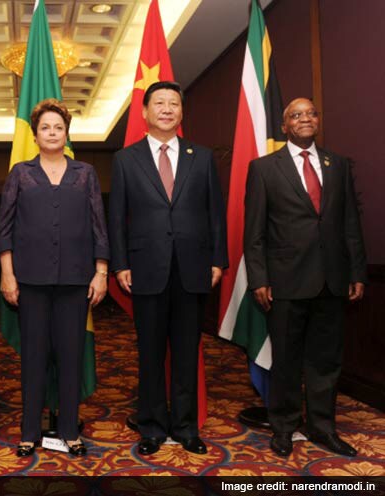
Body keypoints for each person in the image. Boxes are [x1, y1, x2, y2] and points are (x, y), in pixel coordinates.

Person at [108, 81, 227, 456]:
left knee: (187, 352)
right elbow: (116, 218)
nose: (166, 108)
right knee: (150, 353)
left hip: (193, 268)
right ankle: (153, 427)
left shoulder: (202, 157)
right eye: (158, 103)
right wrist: (121, 263)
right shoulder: (126, 159)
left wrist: (217, 259)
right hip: (145, 268)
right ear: (144, 112)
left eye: (173, 103)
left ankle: (186, 427)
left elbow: (215, 215)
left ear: (181, 112)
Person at [244, 97, 367, 457]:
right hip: (284, 282)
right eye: (295, 115)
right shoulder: (264, 168)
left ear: (317, 120)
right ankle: (283, 428)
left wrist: (357, 270)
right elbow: (254, 233)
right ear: (285, 126)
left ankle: (322, 428)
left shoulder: (338, 165)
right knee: (286, 360)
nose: (305, 119)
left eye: (311, 113)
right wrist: (259, 279)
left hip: (332, 280)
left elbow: (350, 224)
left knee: (326, 361)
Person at [0, 99, 109, 458]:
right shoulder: (20, 172)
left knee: (71, 356)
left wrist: (101, 272)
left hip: (76, 283)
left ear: (66, 132)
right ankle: (29, 431)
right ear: (35, 133)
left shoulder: (85, 173)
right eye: (45, 127)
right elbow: (5, 229)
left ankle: (70, 431)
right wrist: (7, 275)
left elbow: (99, 227)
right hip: (30, 283)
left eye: (58, 127)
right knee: (33, 358)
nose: (52, 132)